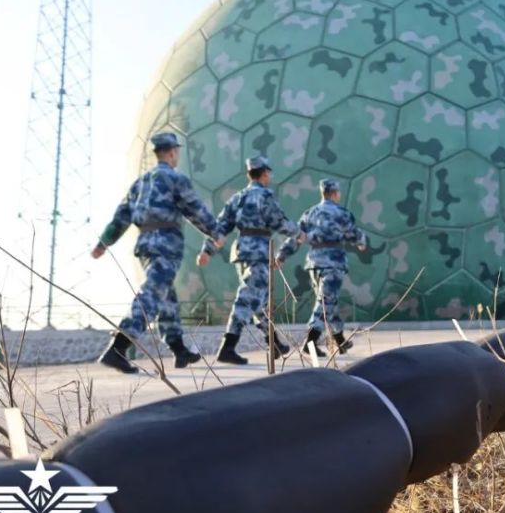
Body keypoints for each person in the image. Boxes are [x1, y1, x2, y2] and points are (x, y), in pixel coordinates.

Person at [91, 132, 221, 373]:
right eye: (177, 153)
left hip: (145, 245)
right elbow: (195, 209)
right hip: (166, 245)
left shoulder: (141, 183)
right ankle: (118, 347)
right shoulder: (176, 179)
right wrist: (215, 232)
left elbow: (121, 217)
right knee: (151, 294)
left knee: (166, 297)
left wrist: (103, 243)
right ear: (172, 152)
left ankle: (179, 349)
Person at [197, 156, 303, 364]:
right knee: (247, 297)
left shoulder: (238, 198)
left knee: (259, 303)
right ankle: (227, 347)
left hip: (242, 251)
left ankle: (275, 344)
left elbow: (220, 226)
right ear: (264, 174)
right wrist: (298, 233)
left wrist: (207, 250)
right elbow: (279, 222)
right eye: (268, 173)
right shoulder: (265, 196)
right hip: (259, 251)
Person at [276, 178, 367, 357]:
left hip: (314, 264)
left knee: (327, 301)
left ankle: (339, 340)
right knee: (325, 303)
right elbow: (354, 234)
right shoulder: (341, 213)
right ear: (335, 193)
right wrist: (362, 243)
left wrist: (282, 254)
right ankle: (309, 342)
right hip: (333, 263)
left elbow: (297, 237)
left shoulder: (310, 213)